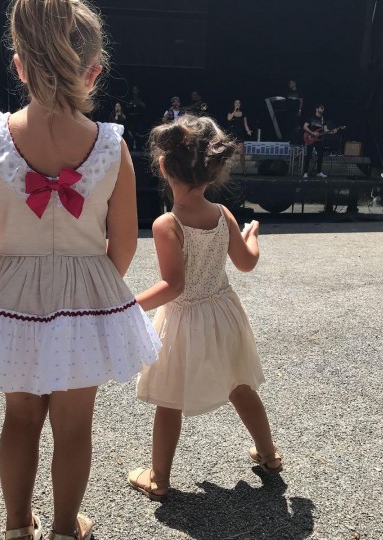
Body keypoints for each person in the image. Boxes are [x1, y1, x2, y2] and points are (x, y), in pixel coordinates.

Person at [0, 1, 161, 539]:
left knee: (21, 418)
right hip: (85, 297)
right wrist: (98, 287)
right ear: (94, 72)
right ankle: (63, 528)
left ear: (19, 66)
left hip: (14, 298)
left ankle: (16, 526)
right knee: (75, 425)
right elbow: (124, 244)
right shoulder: (111, 147)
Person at [126, 115, 282, 502]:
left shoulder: (168, 223)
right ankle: (269, 455)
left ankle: (158, 479)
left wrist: (128, 306)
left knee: (169, 397)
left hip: (184, 319)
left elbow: (173, 285)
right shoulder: (222, 215)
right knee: (240, 383)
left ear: (163, 167)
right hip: (224, 312)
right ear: (213, 172)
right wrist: (253, 235)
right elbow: (246, 264)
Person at [302, 103, 336, 178]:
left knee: (320, 155)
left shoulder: (323, 119)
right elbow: (304, 127)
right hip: (310, 138)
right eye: (321, 108)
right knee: (308, 155)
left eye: (323, 108)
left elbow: (326, 130)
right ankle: (305, 172)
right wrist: (312, 133)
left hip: (319, 139)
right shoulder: (311, 117)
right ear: (317, 109)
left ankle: (319, 172)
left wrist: (332, 132)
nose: (323, 109)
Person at [226, 99, 252, 175]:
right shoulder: (231, 112)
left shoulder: (243, 113)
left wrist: (248, 131)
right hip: (233, 134)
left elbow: (245, 124)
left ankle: (244, 170)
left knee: (242, 153)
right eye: (236, 103)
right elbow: (229, 119)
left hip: (240, 134)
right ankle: (228, 171)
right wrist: (234, 110)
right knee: (231, 153)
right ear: (234, 104)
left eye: (239, 103)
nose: (237, 104)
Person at [125, 85, 146, 150]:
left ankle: (141, 146)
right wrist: (131, 104)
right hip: (131, 117)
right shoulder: (130, 98)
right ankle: (130, 146)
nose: (135, 91)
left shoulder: (141, 97)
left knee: (139, 132)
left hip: (139, 117)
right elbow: (126, 106)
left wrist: (139, 102)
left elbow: (144, 106)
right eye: (134, 90)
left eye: (136, 90)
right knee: (131, 132)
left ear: (138, 91)